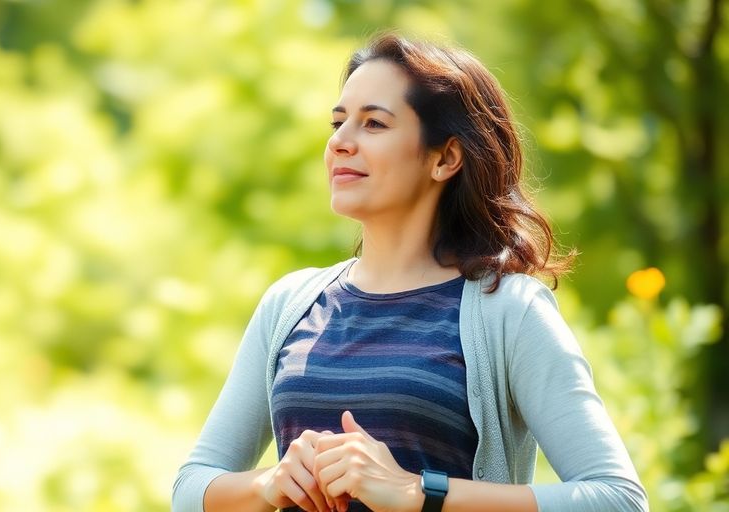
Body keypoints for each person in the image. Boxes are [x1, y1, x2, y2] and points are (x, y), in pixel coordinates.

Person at [172, 33, 646, 512]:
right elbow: (191, 489)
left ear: (445, 158)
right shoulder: (290, 303)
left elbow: (617, 499)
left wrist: (418, 491)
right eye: (338, 123)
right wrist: (269, 484)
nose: (339, 142)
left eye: (373, 123)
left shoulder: (509, 310)